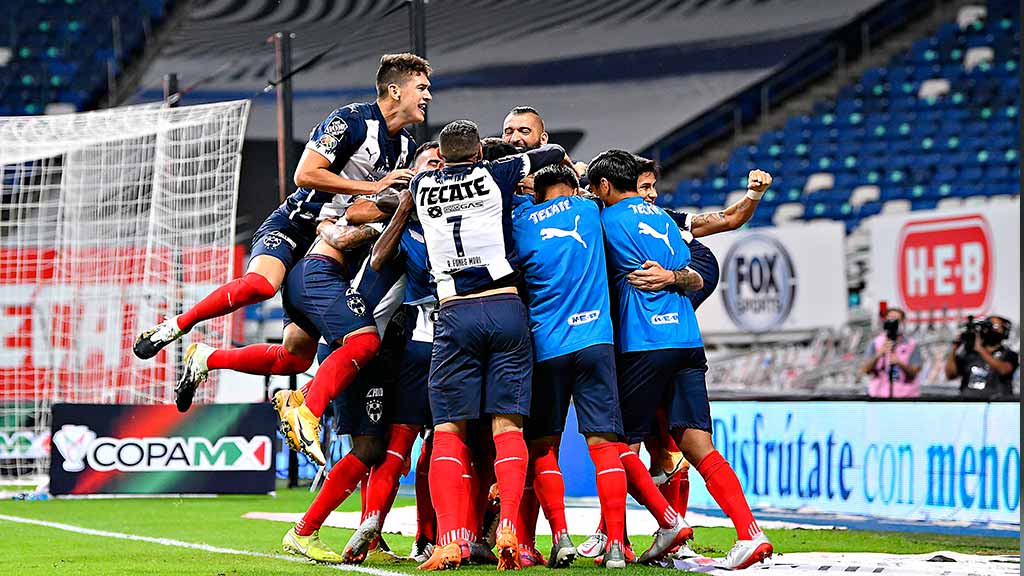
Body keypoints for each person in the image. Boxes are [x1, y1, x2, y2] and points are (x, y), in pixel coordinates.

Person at [133, 53, 432, 376]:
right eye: (422, 87)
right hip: (296, 225)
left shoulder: (404, 145)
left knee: (296, 358)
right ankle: (175, 325)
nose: (428, 95)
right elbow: (304, 175)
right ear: (395, 90)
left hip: (328, 247)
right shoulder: (351, 121)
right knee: (261, 285)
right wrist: (373, 187)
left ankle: (205, 358)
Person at [591, 150, 773, 570]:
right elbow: (696, 273)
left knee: (616, 445)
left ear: (602, 187)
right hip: (687, 339)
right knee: (697, 443)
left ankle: (639, 531)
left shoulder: (601, 221)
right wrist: (674, 278)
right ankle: (749, 533)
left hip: (643, 342)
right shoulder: (665, 221)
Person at [412, 120, 569, 570]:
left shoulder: (424, 182)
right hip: (505, 308)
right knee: (509, 428)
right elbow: (551, 153)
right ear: (479, 153)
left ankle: (447, 540)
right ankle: (510, 530)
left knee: (448, 431)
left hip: (455, 312)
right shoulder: (495, 175)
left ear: (441, 157)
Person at [511, 164, 632, 568]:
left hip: (548, 347)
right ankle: (615, 543)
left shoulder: (523, 222)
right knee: (605, 445)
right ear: (574, 185)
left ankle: (560, 536)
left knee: (543, 446)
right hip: (596, 340)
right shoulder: (594, 211)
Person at [945, 315, 1019, 399]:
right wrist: (954, 348)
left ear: (1005, 331)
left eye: (996, 327)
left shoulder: (1008, 354)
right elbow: (950, 375)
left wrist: (980, 349)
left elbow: (1004, 370)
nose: (993, 330)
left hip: (996, 404)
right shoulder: (969, 353)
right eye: (990, 326)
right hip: (968, 403)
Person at [861, 307, 923, 398]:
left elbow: (914, 373)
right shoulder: (876, 343)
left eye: (897, 320)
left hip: (906, 397)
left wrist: (899, 362)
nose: (893, 323)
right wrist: (879, 355)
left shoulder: (912, 344)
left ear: (903, 322)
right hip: (879, 396)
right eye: (890, 320)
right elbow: (865, 370)